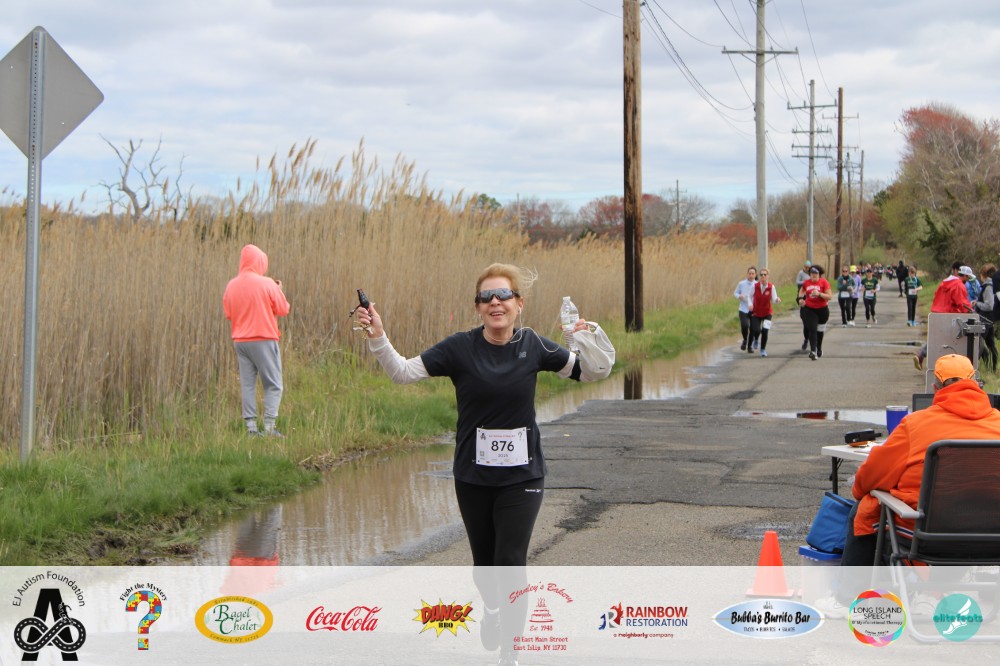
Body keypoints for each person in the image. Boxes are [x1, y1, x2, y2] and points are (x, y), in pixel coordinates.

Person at [355, 263, 613, 663]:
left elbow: (590, 372)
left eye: (504, 295)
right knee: (485, 567)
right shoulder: (459, 348)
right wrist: (378, 335)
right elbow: (402, 373)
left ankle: (511, 655)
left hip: (523, 476)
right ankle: (492, 609)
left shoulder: (534, 345)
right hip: (473, 477)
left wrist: (587, 336)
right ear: (478, 307)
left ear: (519, 303)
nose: (496, 302)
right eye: (486, 297)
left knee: (511, 563)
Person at [818, 354, 1000, 616]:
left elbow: (870, 478)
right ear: (976, 384)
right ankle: (931, 593)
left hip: (925, 534)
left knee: (865, 507)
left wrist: (863, 490)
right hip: (990, 537)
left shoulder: (916, 424)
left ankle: (849, 599)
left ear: (935, 388)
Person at [222, 244, 291, 437]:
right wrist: (278, 290)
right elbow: (283, 309)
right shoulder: (267, 284)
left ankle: (251, 429)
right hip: (263, 339)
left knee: (248, 384)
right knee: (273, 384)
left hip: (240, 341)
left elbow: (228, 314)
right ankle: (269, 428)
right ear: (260, 262)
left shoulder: (231, 285)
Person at [914, 263, 974, 370]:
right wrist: (970, 311)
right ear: (965, 276)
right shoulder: (959, 285)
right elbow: (962, 303)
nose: (968, 280)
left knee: (936, 339)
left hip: (936, 313)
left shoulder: (945, 282)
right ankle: (947, 366)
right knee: (949, 342)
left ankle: (922, 355)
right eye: (968, 278)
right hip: (949, 315)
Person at [797, 265, 833, 360]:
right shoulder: (806, 283)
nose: (813, 275)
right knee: (812, 329)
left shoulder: (824, 282)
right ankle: (813, 351)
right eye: (812, 273)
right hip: (810, 309)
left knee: (820, 331)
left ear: (819, 274)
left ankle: (819, 348)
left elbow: (829, 296)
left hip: (822, 310)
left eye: (816, 273)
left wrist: (819, 294)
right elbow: (801, 291)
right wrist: (800, 299)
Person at [748, 268, 780, 357]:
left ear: (768, 276)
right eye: (761, 275)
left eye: (765, 275)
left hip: (767, 313)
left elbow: (774, 299)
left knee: (765, 331)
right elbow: (749, 296)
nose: (763, 276)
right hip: (756, 312)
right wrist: (750, 304)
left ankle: (762, 349)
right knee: (757, 330)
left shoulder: (771, 287)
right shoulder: (755, 286)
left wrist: (777, 300)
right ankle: (756, 339)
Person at [974, 264, 998, 372]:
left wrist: (977, 303)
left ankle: (979, 366)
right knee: (990, 344)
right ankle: (992, 368)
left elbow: (989, 305)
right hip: (990, 319)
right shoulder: (994, 285)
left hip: (985, 319)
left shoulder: (988, 287)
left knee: (979, 343)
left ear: (983, 274)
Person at [733, 267, 758, 351]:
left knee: (753, 329)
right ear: (747, 274)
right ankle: (745, 340)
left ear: (755, 275)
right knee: (745, 325)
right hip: (743, 309)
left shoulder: (757, 284)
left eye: (753, 274)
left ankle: (749, 346)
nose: (751, 275)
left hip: (754, 309)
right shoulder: (741, 283)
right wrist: (739, 296)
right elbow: (735, 293)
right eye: (749, 273)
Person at [796, 260, 812, 350]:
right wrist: (805, 282)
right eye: (806, 267)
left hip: (811, 298)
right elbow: (797, 282)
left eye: (808, 268)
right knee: (805, 324)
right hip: (802, 296)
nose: (807, 269)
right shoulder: (801, 273)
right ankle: (806, 339)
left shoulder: (812, 274)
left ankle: (813, 342)